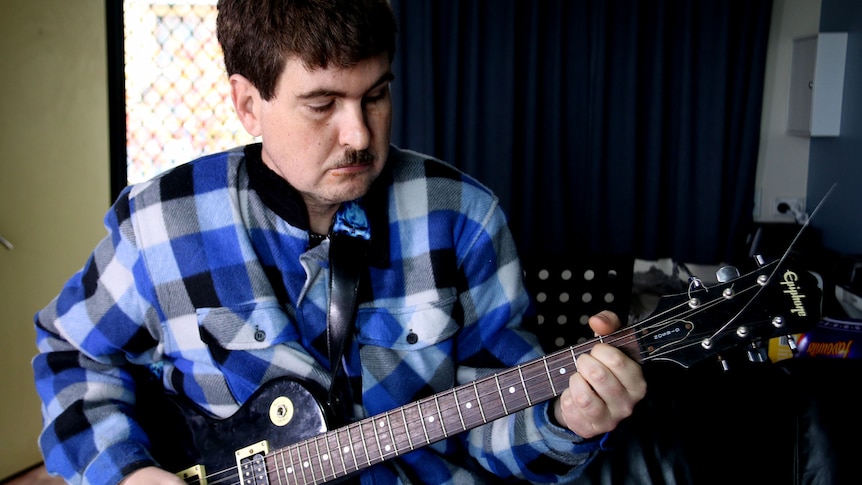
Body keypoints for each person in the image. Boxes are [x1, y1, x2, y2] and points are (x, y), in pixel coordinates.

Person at [32, 1, 646, 483]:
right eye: (322, 104)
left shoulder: (463, 216)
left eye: (376, 95)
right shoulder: (161, 224)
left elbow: (495, 427)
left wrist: (568, 421)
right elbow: (71, 353)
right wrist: (127, 474)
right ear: (248, 103)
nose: (359, 134)